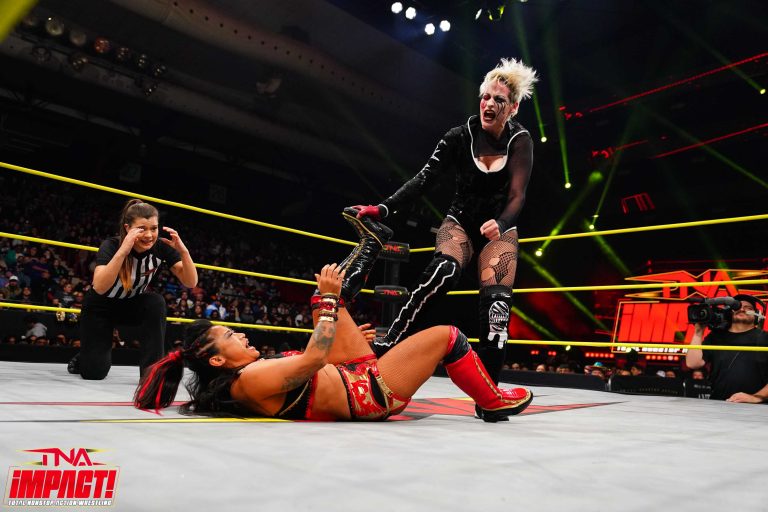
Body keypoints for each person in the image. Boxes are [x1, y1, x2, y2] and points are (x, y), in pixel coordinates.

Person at [134, 211, 533, 422]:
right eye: (229, 336)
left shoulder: (244, 378)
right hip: (372, 394)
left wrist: (337, 322)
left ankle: (371, 244)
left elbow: (315, 366)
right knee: (448, 336)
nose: (241, 335)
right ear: (217, 360)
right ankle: (492, 401)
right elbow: (312, 359)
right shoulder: (248, 380)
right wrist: (328, 303)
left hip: (349, 373)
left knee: (323, 299)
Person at [351, 58, 539, 391]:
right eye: (485, 97)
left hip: (500, 229)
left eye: (498, 99)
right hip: (461, 222)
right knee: (444, 270)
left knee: (496, 308)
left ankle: (488, 393)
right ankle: (387, 342)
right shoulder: (458, 136)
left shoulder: (520, 140)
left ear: (512, 107)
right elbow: (423, 179)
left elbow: (518, 195)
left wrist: (501, 222)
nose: (489, 104)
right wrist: (382, 208)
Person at [69, 199, 198, 380]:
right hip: (100, 306)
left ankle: (151, 373)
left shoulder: (160, 247)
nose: (149, 235)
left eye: (154, 228)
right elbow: (100, 286)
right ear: (128, 228)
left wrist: (184, 252)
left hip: (131, 304)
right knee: (94, 373)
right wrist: (124, 250)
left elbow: (190, 282)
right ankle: (85, 357)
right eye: (142, 229)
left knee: (155, 302)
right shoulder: (111, 245)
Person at [685, 294, 768, 403]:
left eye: (748, 308)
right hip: (718, 404)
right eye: (737, 307)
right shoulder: (715, 336)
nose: (742, 309)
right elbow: (692, 363)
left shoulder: (765, 338)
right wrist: (698, 332)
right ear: (730, 313)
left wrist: (755, 397)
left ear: (757, 315)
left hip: (753, 408)